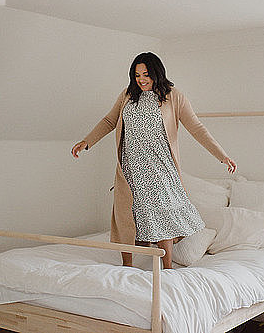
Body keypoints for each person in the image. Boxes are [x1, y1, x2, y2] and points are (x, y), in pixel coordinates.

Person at [71, 52, 236, 269]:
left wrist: (221, 155)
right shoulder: (127, 96)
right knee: (128, 215)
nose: (141, 79)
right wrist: (87, 141)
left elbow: (196, 128)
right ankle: (127, 268)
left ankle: (166, 270)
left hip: (160, 169)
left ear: (157, 73)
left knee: (162, 217)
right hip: (131, 169)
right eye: (137, 75)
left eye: (146, 74)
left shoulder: (173, 96)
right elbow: (109, 120)